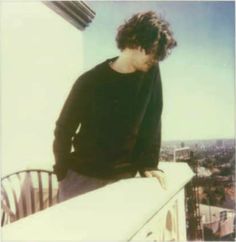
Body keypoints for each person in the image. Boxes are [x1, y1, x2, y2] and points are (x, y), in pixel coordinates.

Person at [53, 11, 177, 202]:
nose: (155, 59)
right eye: (153, 52)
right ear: (135, 41)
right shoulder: (90, 81)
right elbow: (64, 128)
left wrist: (149, 165)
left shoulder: (150, 73)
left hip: (123, 182)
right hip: (82, 179)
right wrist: (62, 172)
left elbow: (153, 120)